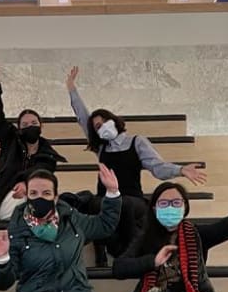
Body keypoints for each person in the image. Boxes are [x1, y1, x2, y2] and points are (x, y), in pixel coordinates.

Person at [65, 65, 207, 263]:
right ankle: (102, 255)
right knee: (97, 205)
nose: (102, 127)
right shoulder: (102, 148)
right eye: (97, 127)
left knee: (128, 206)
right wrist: (71, 88)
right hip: (107, 199)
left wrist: (180, 170)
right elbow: (82, 117)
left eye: (104, 121)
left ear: (113, 120)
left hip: (132, 199)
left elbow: (157, 167)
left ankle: (131, 255)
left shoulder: (136, 142)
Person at [0, 60, 67, 224]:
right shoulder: (10, 141)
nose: (30, 127)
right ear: (18, 128)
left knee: (65, 201)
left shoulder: (48, 154)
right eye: (25, 125)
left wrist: (27, 183)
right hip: (7, 199)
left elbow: (42, 171)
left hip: (33, 197)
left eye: (34, 124)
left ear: (41, 126)